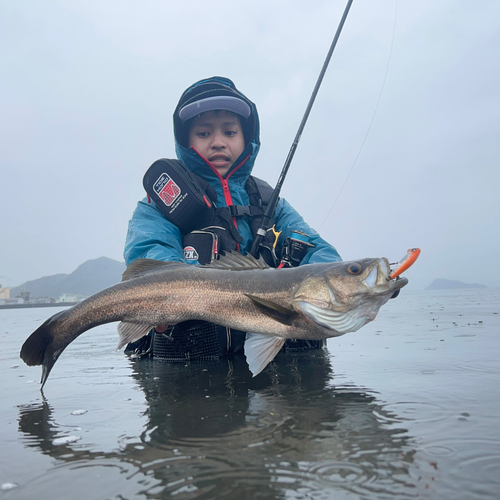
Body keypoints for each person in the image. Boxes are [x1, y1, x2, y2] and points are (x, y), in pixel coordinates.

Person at [123, 76, 342, 361]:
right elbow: (150, 252)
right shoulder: (160, 202)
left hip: (281, 364)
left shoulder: (268, 200)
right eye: (203, 134)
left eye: (229, 132)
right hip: (189, 370)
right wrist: (165, 303)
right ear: (186, 141)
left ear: (246, 138)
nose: (217, 143)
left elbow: (317, 248)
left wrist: (350, 289)